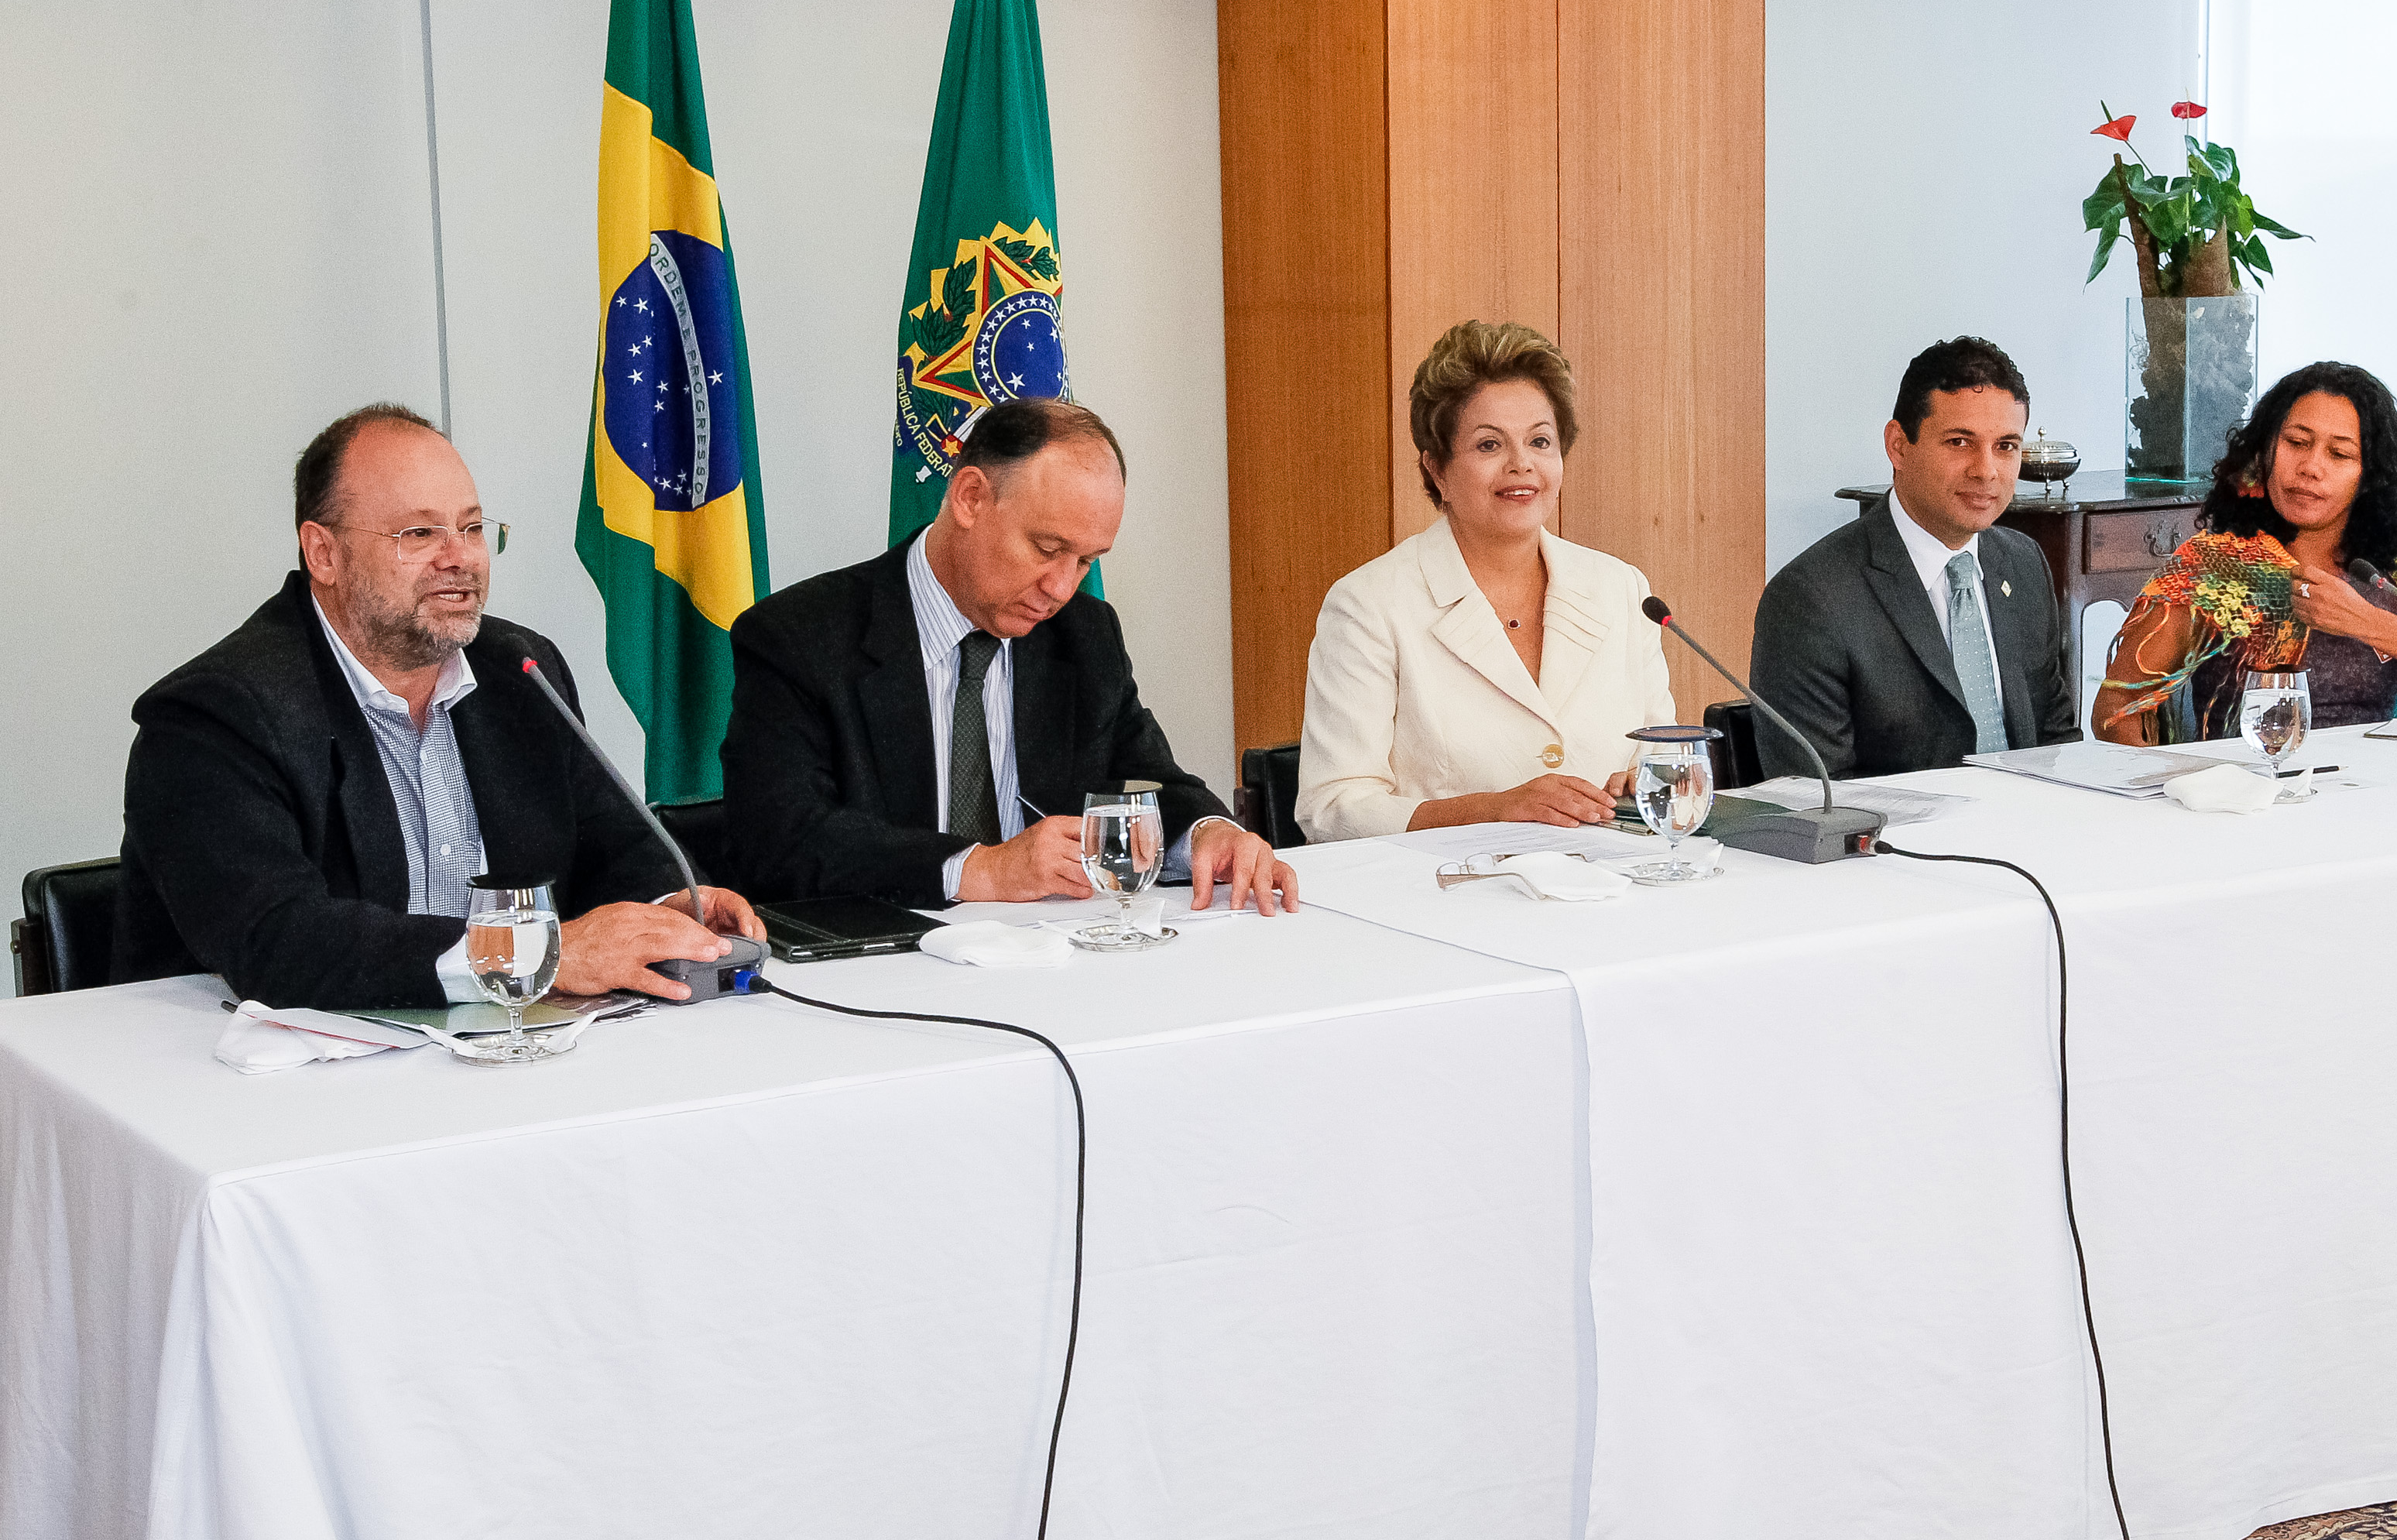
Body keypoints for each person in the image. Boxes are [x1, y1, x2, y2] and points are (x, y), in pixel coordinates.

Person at [116, 404, 766, 1009]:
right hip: (262, 1089)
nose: (460, 558)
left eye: (473, 527)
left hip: (498, 1059)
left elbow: (612, 843)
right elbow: (279, 938)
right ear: (324, 553)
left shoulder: (519, 669)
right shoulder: (217, 714)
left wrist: (670, 901)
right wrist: (535, 955)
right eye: (420, 532)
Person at [724, 398, 1295, 914]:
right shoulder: (800, 637)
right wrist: (981, 868)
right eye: (1048, 549)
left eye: (1086, 561)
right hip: (882, 971)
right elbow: (779, 841)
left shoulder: (1085, 637)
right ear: (971, 498)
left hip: (1054, 964)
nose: (1062, 587)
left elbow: (1150, 781)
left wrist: (1208, 832)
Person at [1297, 320, 1677, 842]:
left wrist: (1645, 783)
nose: (1522, 465)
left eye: (1540, 441)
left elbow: (1665, 758)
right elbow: (1333, 808)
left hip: (1608, 889)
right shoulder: (1369, 605)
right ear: (1436, 469)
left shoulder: (1624, 591)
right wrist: (1493, 809)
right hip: (1442, 899)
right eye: (1489, 445)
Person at [2094, 362, 2397, 743]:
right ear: (2264, 451)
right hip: (2248, 798)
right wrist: (2181, 794)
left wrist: (2365, 620)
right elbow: (2115, 712)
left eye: (2340, 453)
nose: (2311, 467)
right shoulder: (2214, 565)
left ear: (2368, 476)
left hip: (2380, 794)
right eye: (2296, 443)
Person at [1750, 338, 2080, 780]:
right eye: (1959, 442)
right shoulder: (1811, 599)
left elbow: (2055, 742)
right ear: (1898, 446)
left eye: (2006, 446)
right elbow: (1816, 801)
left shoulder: (2022, 563)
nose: (1986, 470)